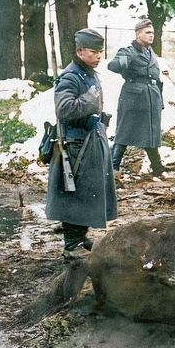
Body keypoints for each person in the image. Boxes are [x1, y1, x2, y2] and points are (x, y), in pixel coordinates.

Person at [45, 28, 117, 257]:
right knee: (75, 194)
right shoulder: (71, 75)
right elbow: (64, 109)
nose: (98, 56)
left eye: (100, 52)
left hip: (88, 141)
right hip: (76, 146)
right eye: (93, 52)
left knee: (88, 192)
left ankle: (80, 236)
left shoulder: (88, 73)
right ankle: (72, 245)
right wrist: (90, 101)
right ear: (79, 51)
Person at [108, 19, 166, 178]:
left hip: (151, 97)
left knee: (151, 132)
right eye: (148, 32)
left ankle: (158, 167)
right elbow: (113, 65)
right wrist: (122, 63)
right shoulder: (129, 51)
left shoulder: (150, 51)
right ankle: (113, 167)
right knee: (125, 131)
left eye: (153, 33)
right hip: (134, 98)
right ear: (138, 34)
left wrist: (159, 100)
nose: (151, 35)